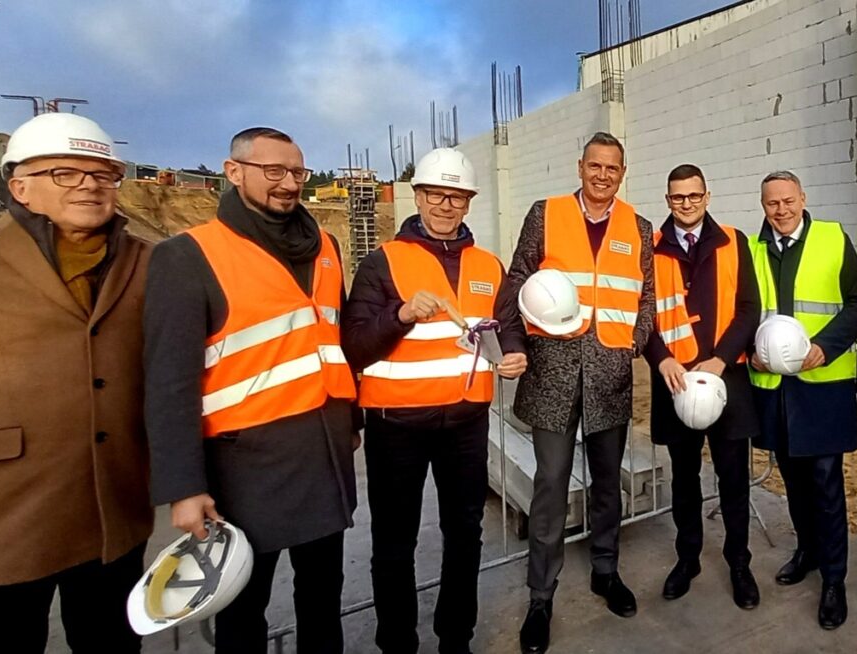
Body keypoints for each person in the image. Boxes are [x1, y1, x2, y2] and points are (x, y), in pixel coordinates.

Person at [144, 127, 359, 654]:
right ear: (234, 171)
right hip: (242, 470)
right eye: (273, 171)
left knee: (322, 599)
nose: (288, 183)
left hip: (323, 457)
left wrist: (352, 423)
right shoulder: (189, 256)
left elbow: (337, 339)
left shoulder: (326, 247)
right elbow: (168, 382)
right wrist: (183, 487)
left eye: (297, 172)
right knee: (242, 610)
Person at [0, 113, 153, 653]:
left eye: (103, 173)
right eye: (65, 173)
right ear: (19, 185)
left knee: (113, 641)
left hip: (112, 505)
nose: (90, 184)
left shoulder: (150, 262)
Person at [342, 147, 527, 654]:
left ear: (468, 202)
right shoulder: (384, 262)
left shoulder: (488, 265)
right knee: (395, 543)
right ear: (418, 196)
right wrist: (399, 315)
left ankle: (455, 639)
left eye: (458, 197)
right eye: (437, 194)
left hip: (466, 423)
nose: (447, 205)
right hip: (395, 424)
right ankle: (397, 643)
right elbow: (354, 344)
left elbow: (509, 327)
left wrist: (514, 354)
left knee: (464, 533)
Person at [508, 132, 655, 654]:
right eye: (594, 166)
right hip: (551, 372)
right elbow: (517, 283)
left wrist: (631, 345)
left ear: (622, 172)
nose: (602, 175)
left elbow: (647, 296)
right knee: (549, 486)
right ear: (580, 167)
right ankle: (541, 598)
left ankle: (605, 570)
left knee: (607, 484)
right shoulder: (544, 215)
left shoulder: (638, 227)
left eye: (612, 168)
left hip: (609, 376)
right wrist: (516, 343)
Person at [748, 170, 857, 629]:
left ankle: (834, 580)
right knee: (793, 480)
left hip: (822, 385)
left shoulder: (832, 239)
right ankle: (807, 551)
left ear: (802, 197)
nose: (780, 210)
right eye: (771, 204)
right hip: (776, 389)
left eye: (787, 201)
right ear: (763, 206)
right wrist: (751, 354)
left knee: (825, 481)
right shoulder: (753, 249)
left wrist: (826, 346)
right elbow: (745, 311)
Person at [644, 164, 761, 610]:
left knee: (733, 478)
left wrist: (720, 359)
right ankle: (687, 558)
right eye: (677, 198)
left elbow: (750, 309)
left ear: (707, 196)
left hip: (724, 378)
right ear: (668, 199)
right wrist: (662, 358)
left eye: (694, 196)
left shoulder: (734, 241)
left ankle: (739, 563)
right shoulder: (650, 248)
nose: (686, 204)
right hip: (674, 381)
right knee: (683, 477)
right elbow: (643, 315)